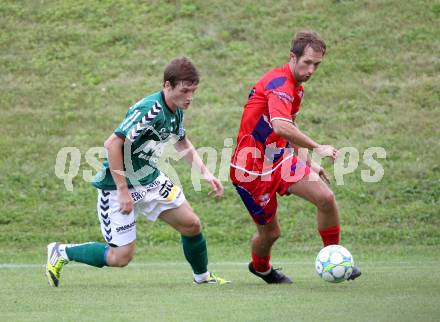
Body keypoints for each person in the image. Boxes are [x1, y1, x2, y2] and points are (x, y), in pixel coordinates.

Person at [46, 57, 229, 287]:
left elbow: (181, 141)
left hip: (150, 180)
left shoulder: (177, 109)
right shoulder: (149, 110)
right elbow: (112, 144)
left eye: (193, 91)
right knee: (121, 257)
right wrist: (123, 190)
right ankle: (61, 252)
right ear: (167, 86)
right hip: (116, 187)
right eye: (185, 91)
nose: (190, 97)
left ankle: (202, 278)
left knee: (191, 224)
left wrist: (205, 173)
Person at [229, 31, 361, 284]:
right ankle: (261, 268)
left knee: (326, 198)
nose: (311, 69)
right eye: (307, 63)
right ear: (292, 57)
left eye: (317, 65)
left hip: (279, 159)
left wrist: (307, 161)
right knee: (270, 234)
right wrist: (317, 147)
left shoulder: (296, 90)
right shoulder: (280, 85)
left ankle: (334, 255)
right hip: (251, 172)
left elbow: (290, 126)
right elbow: (280, 126)